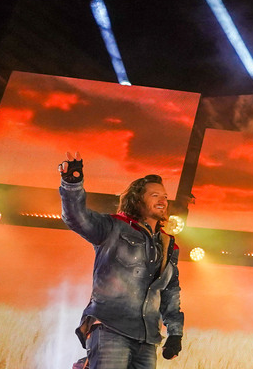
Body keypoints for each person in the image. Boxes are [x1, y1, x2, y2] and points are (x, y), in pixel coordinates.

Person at [59, 152, 184, 368]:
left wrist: (175, 334)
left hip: (147, 339)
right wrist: (72, 184)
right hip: (111, 329)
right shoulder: (114, 228)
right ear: (137, 200)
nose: (163, 200)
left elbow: (170, 292)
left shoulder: (168, 245)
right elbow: (76, 218)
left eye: (164, 196)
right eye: (154, 195)